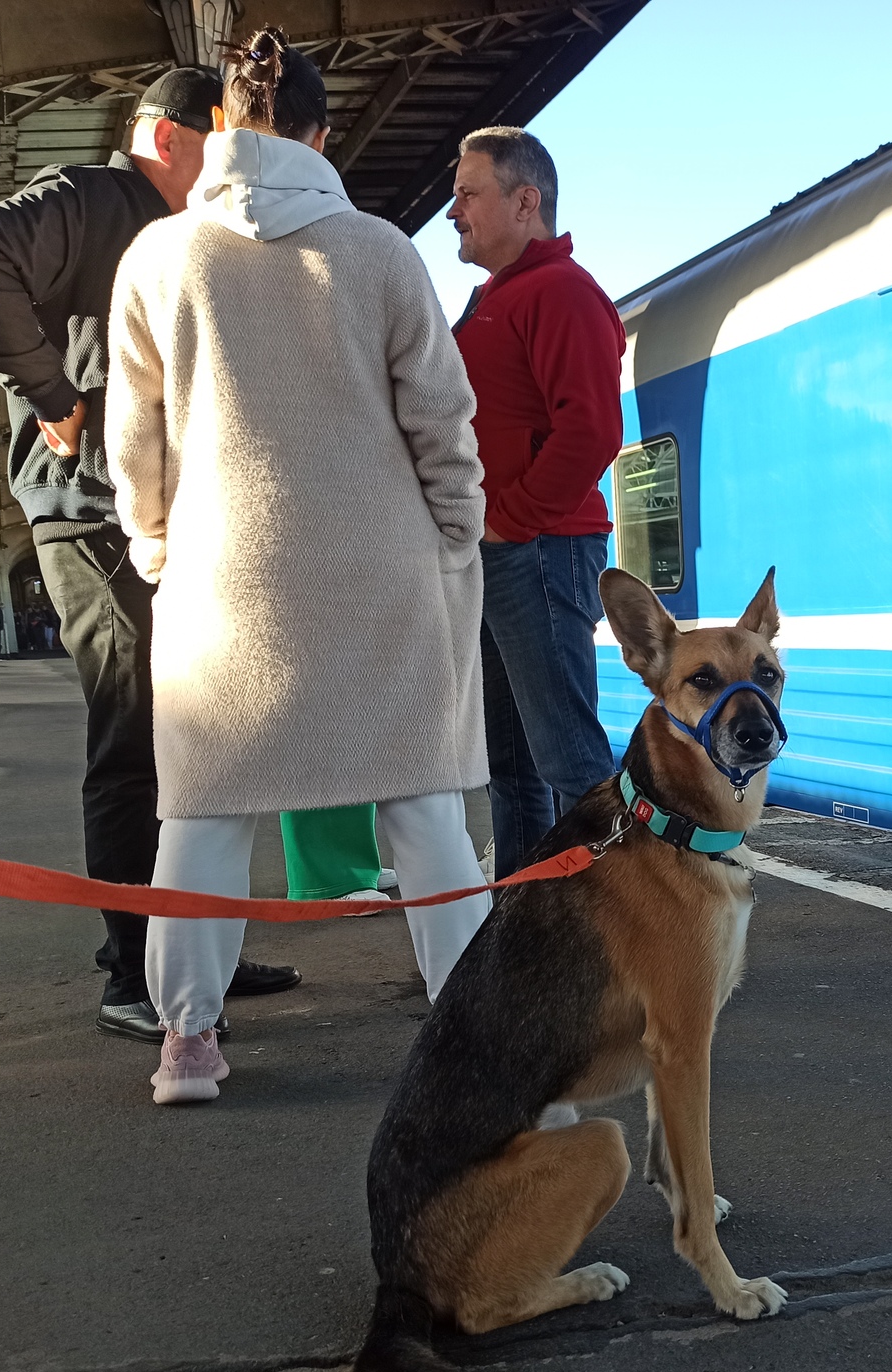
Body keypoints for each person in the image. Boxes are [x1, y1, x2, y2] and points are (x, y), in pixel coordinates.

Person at [107, 29, 492, 1106]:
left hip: (221, 583)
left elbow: (133, 440)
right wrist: (451, 535)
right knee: (424, 815)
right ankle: (467, 1035)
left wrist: (154, 545)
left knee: (204, 817)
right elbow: (442, 422)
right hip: (380, 572)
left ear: (221, 130)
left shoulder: (156, 259)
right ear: (322, 136)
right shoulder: (377, 250)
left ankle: (188, 1042)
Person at [0, 67, 301, 1044]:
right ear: (170, 137)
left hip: (168, 523)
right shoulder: (88, 198)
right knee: (133, 740)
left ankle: (193, 951)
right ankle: (135, 973)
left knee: (198, 740)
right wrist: (50, 394)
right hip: (90, 518)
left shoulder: (184, 232)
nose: (227, 168)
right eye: (216, 146)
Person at [447, 126, 626, 873]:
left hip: (540, 550)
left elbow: (591, 433)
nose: (453, 212)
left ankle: (627, 938)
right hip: (508, 553)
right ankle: (522, 930)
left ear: (527, 201)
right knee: (515, 771)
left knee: (571, 763)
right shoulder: (498, 296)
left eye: (468, 194)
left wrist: (509, 520)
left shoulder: (560, 290)